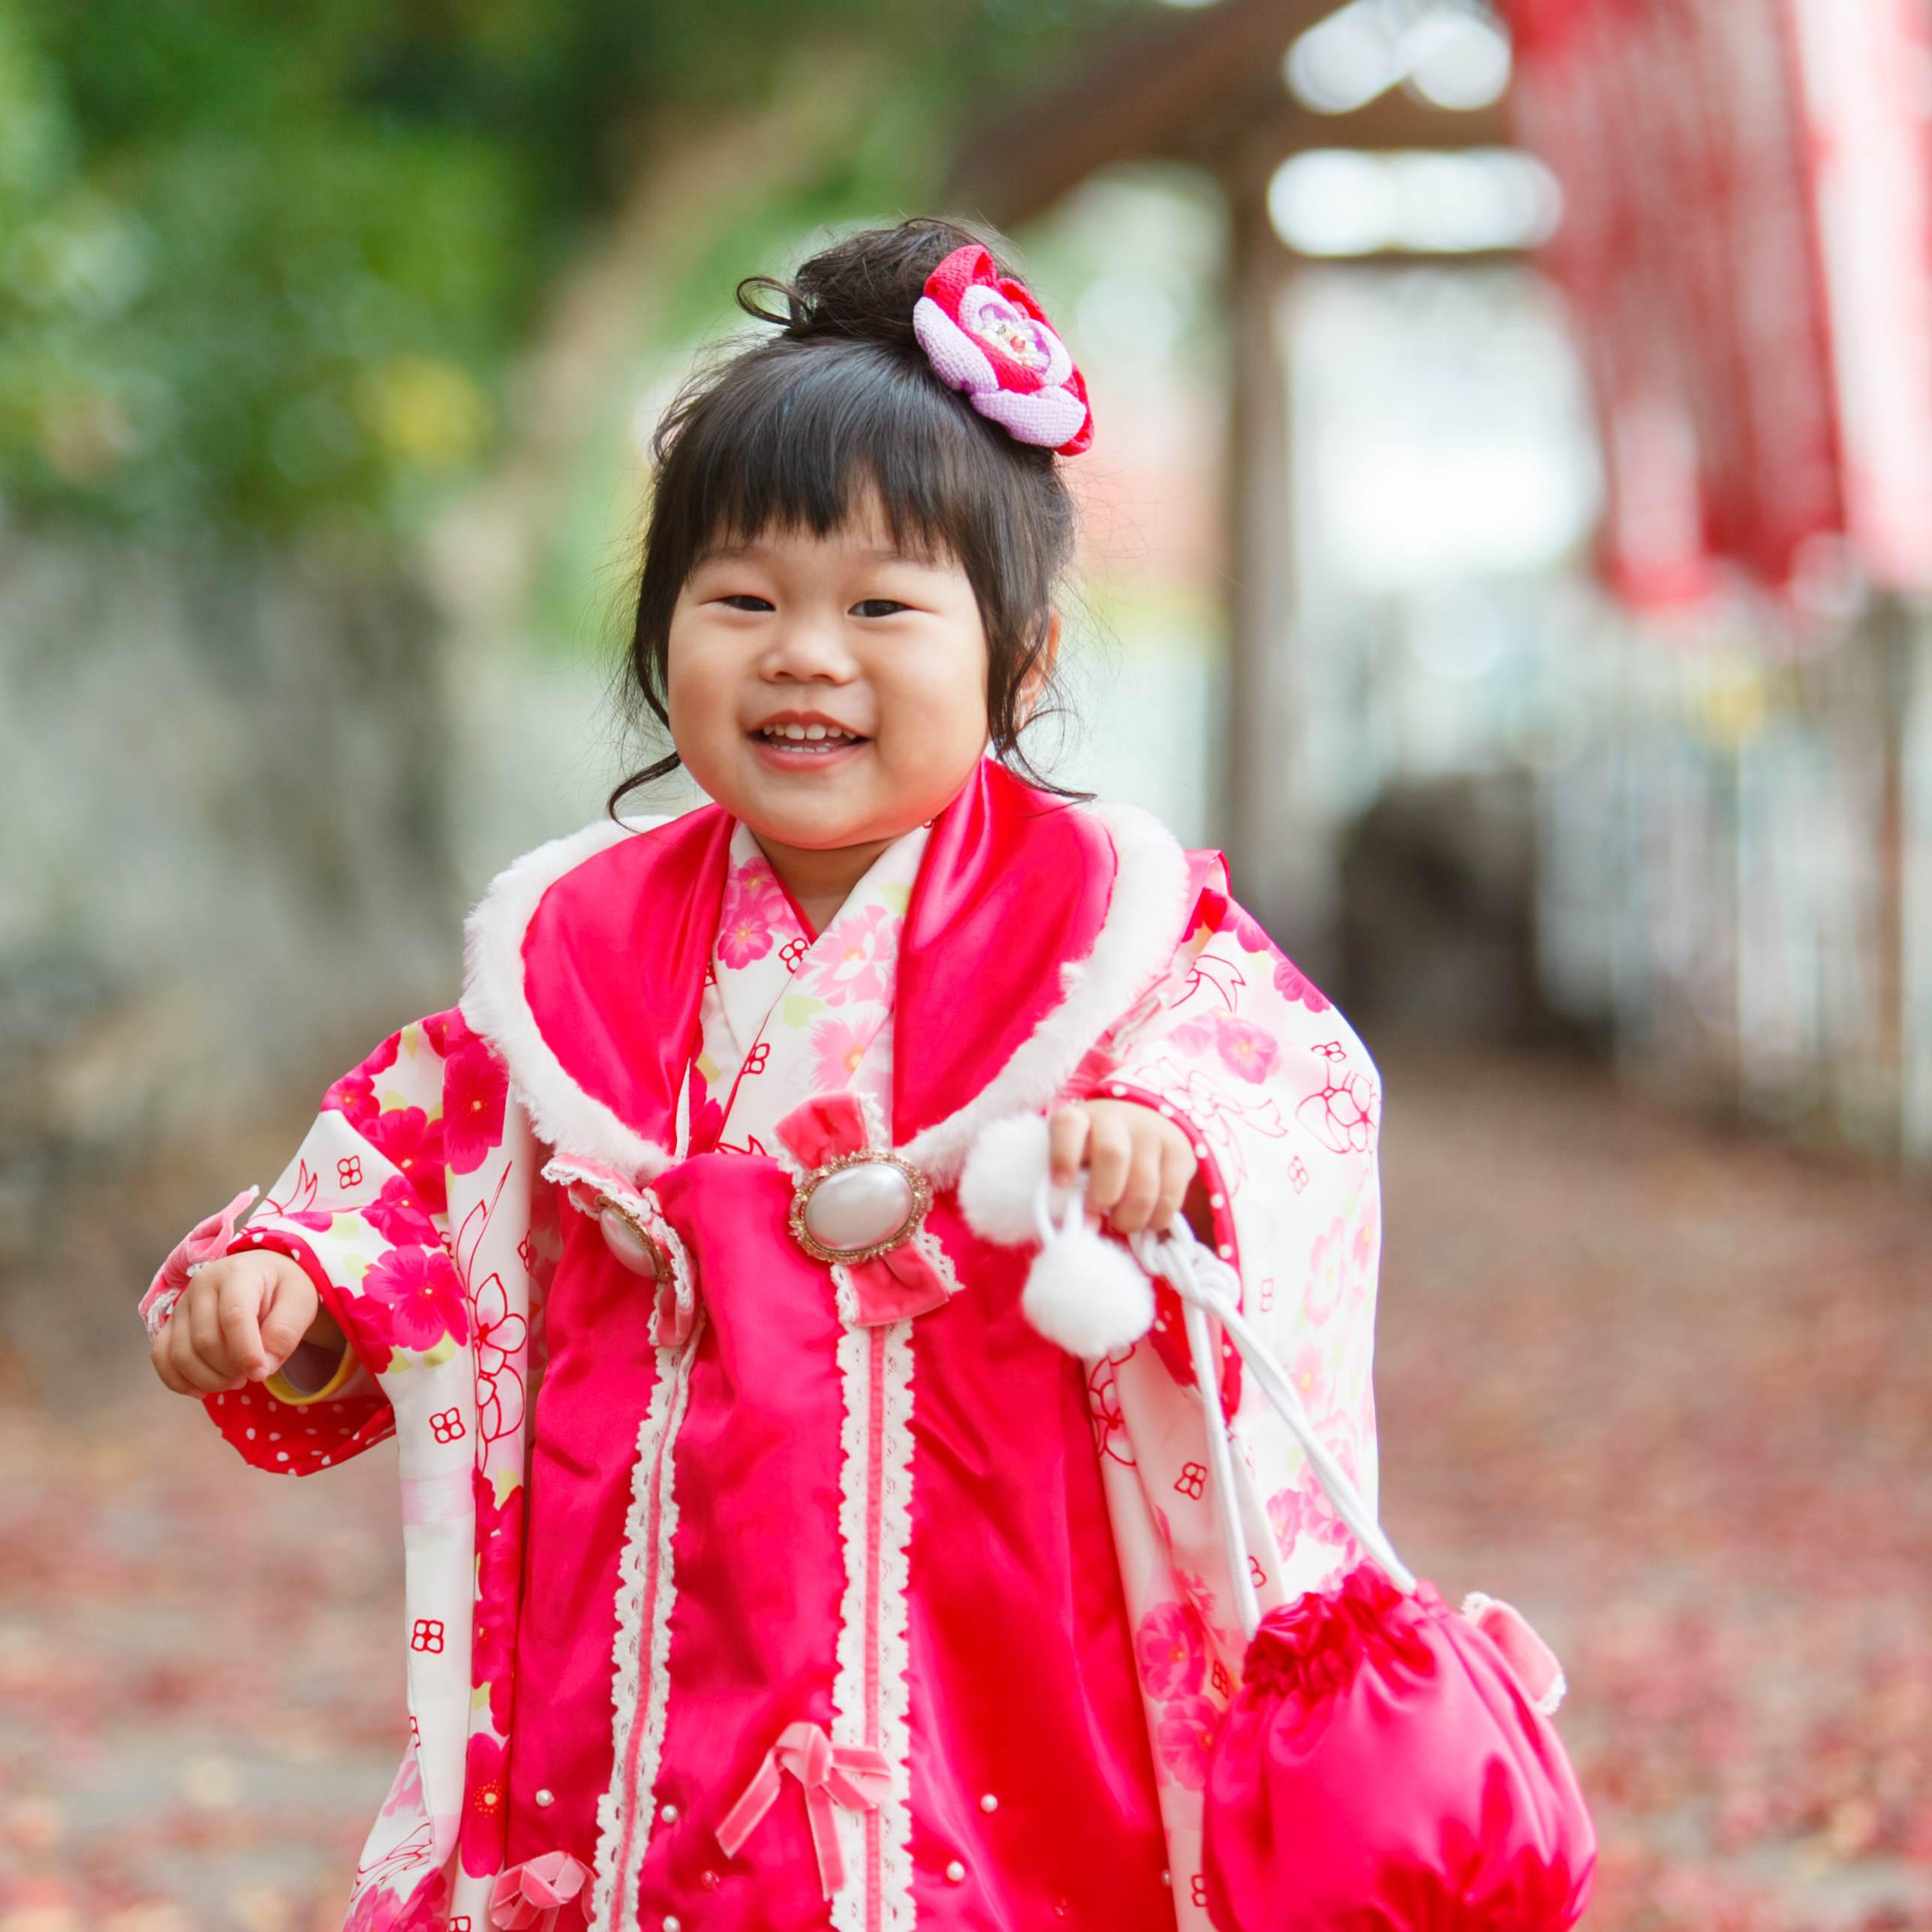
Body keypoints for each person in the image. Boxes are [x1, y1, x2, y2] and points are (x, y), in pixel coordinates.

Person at [143, 220, 1384, 1932]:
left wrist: (1162, 1131)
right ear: (663, 642)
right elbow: (431, 1147)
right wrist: (298, 1277)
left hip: (985, 1591)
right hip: (646, 1576)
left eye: (882, 604)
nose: (806, 653)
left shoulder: (1106, 934)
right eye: (742, 600)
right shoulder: (577, 950)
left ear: (1018, 659)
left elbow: (1288, 1078)